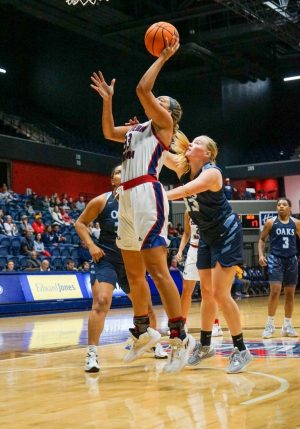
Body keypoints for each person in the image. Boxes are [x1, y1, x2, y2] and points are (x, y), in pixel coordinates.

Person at [91, 37, 194, 373]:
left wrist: (163, 56)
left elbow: (142, 89)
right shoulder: (137, 129)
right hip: (127, 199)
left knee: (157, 269)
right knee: (134, 273)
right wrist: (108, 100)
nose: (155, 101)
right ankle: (143, 329)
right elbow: (108, 131)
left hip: (148, 193)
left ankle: (180, 335)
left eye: (160, 102)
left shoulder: (163, 126)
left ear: (169, 113)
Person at [164, 133, 253, 373]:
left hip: (227, 233)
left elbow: (185, 191)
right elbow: (159, 154)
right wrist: (142, 135)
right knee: (206, 293)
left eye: (198, 142)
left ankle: (241, 350)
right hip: (206, 235)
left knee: (220, 293)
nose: (191, 143)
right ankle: (204, 346)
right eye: (191, 141)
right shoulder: (185, 168)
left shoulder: (212, 173)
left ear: (208, 153)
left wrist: (157, 196)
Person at [75, 165, 168, 373]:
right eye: (117, 172)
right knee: (101, 302)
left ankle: (153, 343)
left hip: (132, 260)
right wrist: (91, 245)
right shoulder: (101, 201)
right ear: (112, 180)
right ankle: (92, 353)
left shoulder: (140, 203)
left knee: (146, 308)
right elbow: (80, 223)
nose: (122, 174)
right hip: (106, 258)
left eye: (125, 171)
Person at [258, 197, 300, 338]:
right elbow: (261, 239)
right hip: (275, 259)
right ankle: (270, 325)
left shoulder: (296, 223)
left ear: (290, 208)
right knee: (275, 291)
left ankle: (287, 325)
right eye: (279, 205)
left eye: (284, 204)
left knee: (290, 293)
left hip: (291, 260)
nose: (281, 206)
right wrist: (260, 255)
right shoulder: (270, 222)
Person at [177, 210, 223, 337]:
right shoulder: (188, 212)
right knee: (186, 290)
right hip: (193, 250)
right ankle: (182, 323)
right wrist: (180, 250)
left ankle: (215, 324)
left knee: (208, 292)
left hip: (207, 251)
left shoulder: (211, 209)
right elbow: (187, 233)